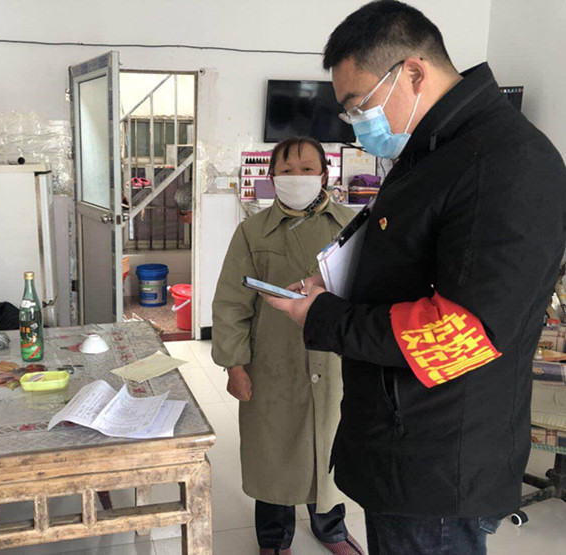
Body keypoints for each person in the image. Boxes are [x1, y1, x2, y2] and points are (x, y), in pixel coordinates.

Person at [262, 2, 566, 554]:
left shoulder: (506, 163)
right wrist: (334, 288)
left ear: (413, 73)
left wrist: (325, 316)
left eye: (358, 105)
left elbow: (465, 332)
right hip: (401, 436)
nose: (356, 124)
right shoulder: (436, 151)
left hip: (437, 458)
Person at [212, 137, 364, 555]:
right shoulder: (252, 231)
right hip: (273, 363)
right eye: (287, 170)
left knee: (332, 449)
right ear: (272, 176)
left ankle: (331, 529)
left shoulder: (351, 225)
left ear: (324, 175)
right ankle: (274, 539)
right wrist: (235, 366)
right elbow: (231, 303)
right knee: (273, 452)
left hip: (335, 362)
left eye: (307, 169)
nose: (297, 177)